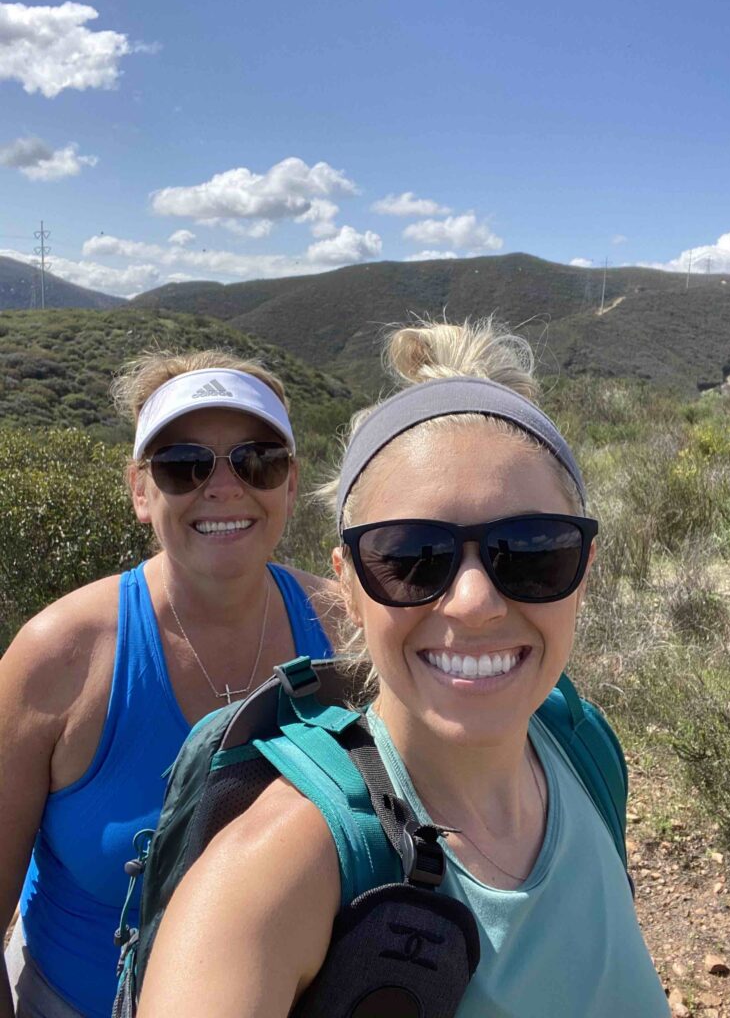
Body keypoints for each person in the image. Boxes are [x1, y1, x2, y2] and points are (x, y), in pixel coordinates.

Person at [136, 321, 670, 1017]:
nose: (475, 603)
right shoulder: (271, 875)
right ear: (349, 589)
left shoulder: (581, 745)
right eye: (412, 557)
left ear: (584, 572)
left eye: (532, 550)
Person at [0, 350, 336, 1018]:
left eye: (256, 460)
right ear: (140, 491)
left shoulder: (346, 632)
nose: (223, 487)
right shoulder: (60, 657)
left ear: (290, 485)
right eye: (184, 465)